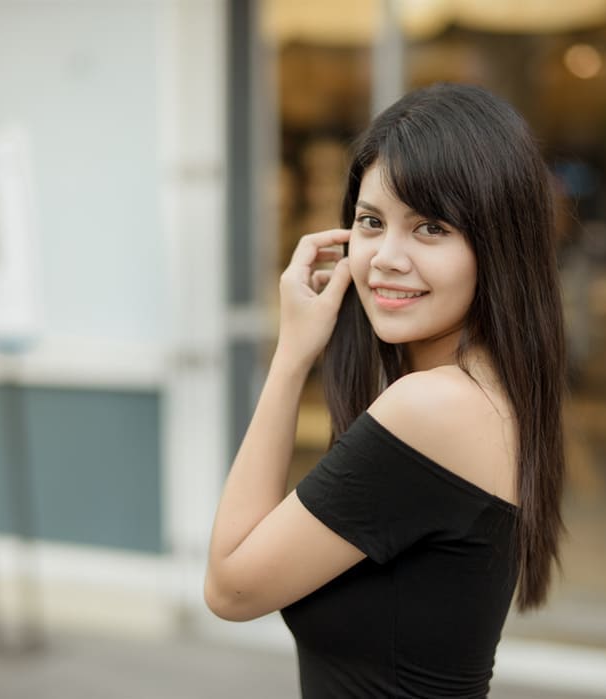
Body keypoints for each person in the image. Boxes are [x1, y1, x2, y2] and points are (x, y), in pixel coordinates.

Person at [204, 83, 566, 698]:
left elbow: (231, 588)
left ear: (498, 243)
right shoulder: (491, 392)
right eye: (371, 222)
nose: (385, 258)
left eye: (430, 227)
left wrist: (291, 357)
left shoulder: (432, 408)